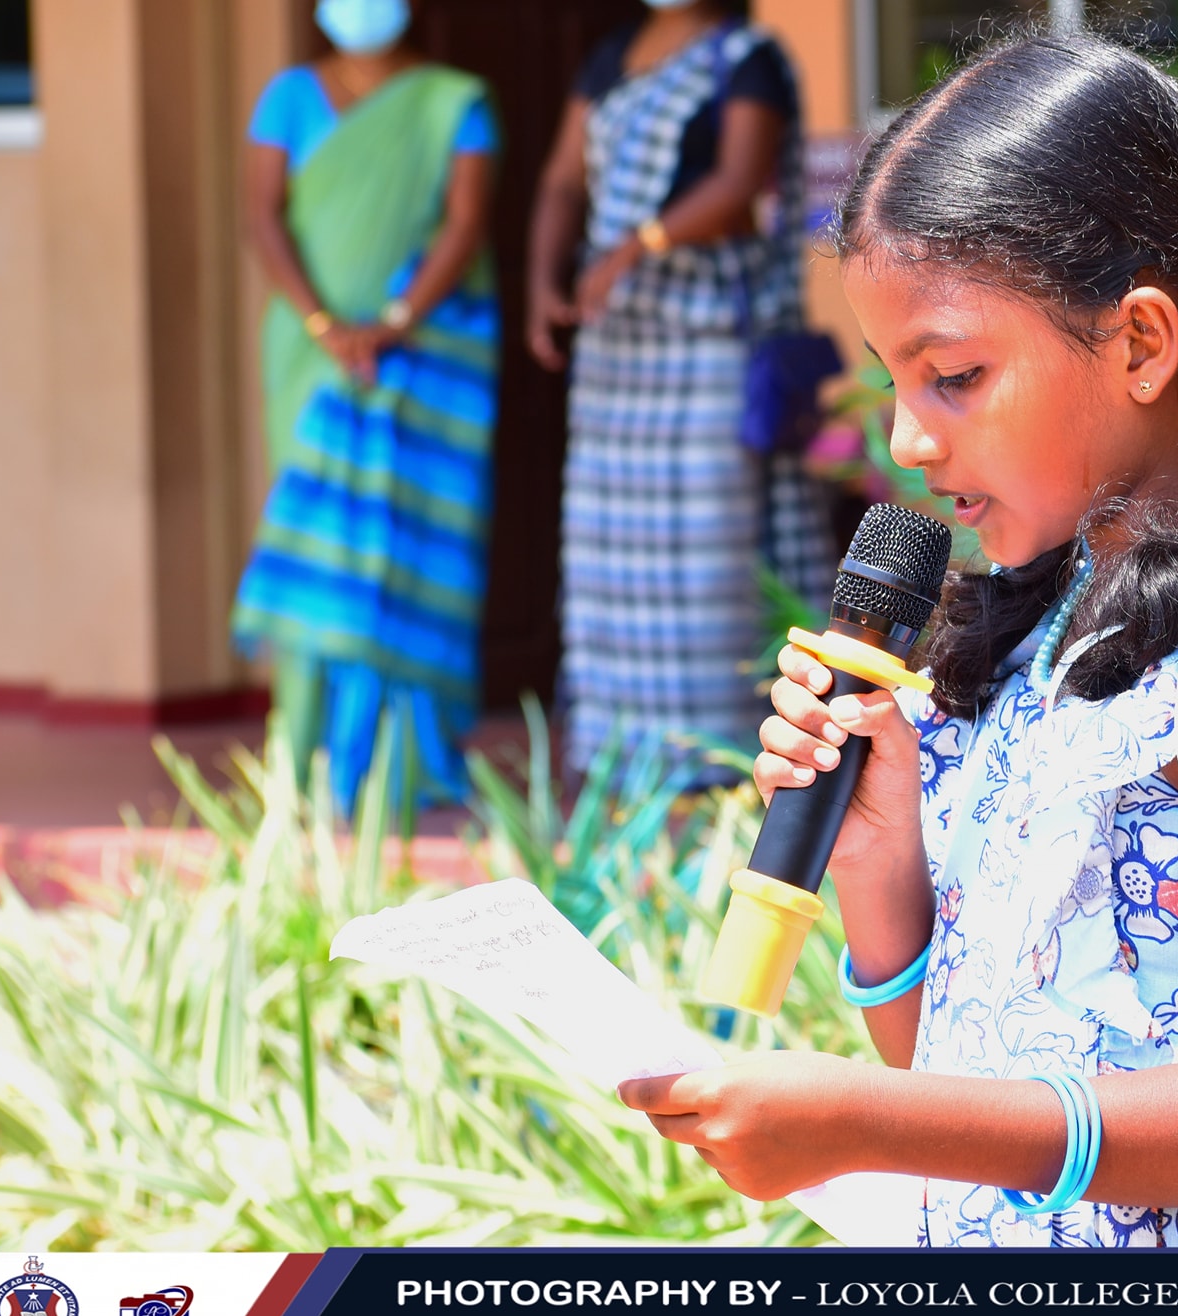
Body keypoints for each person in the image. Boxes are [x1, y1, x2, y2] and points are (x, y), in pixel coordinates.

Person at [620, 36, 1178, 1247]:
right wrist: (877, 865)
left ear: (1140, 344)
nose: (908, 441)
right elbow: (962, 1060)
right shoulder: (1052, 610)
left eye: (952, 376)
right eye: (892, 382)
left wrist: (866, 1120)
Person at [527, 0, 836, 778]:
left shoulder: (746, 58)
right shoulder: (614, 56)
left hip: (709, 335)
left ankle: (722, 753)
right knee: (610, 556)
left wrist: (635, 246)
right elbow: (563, 180)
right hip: (617, 350)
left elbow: (738, 181)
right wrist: (541, 286)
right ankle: (624, 752)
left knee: (709, 560)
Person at [233, 0, 499, 814]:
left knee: (403, 546)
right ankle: (304, 756)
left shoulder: (455, 101)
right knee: (317, 535)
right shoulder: (287, 97)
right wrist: (326, 325)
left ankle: (399, 762)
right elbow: (261, 215)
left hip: (422, 356)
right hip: (309, 355)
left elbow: (466, 222)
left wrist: (394, 322)